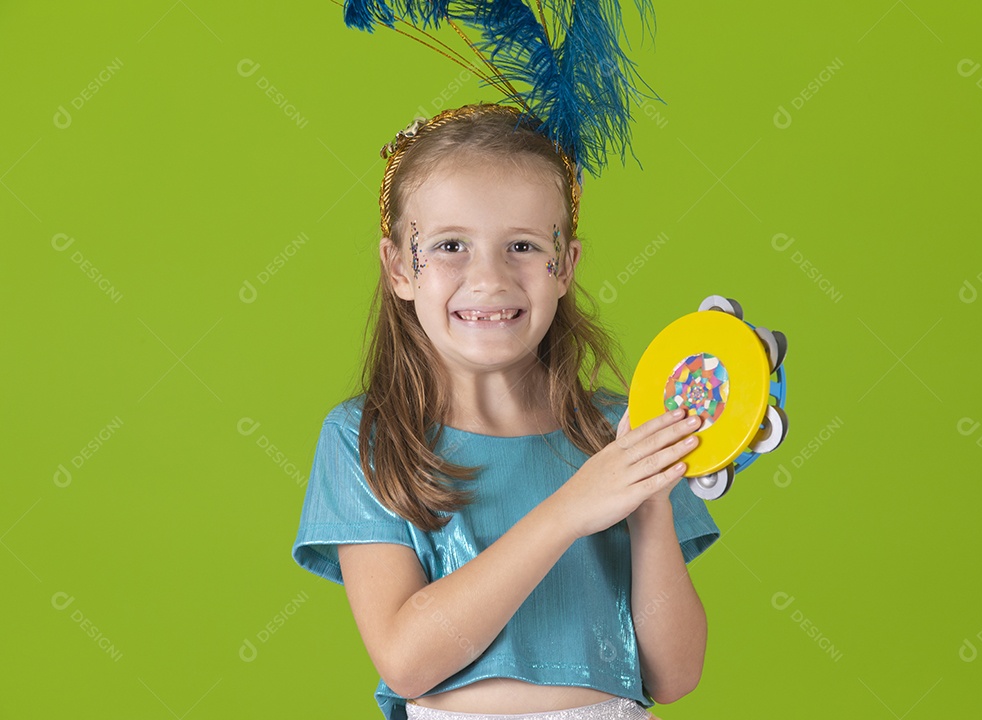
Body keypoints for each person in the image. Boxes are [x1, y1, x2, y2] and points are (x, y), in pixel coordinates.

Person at [291, 103, 721, 720]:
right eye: (450, 246)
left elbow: (675, 674)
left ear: (565, 266)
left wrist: (648, 503)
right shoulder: (368, 439)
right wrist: (574, 507)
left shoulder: (620, 432)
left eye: (521, 245)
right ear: (398, 269)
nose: (489, 280)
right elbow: (407, 661)